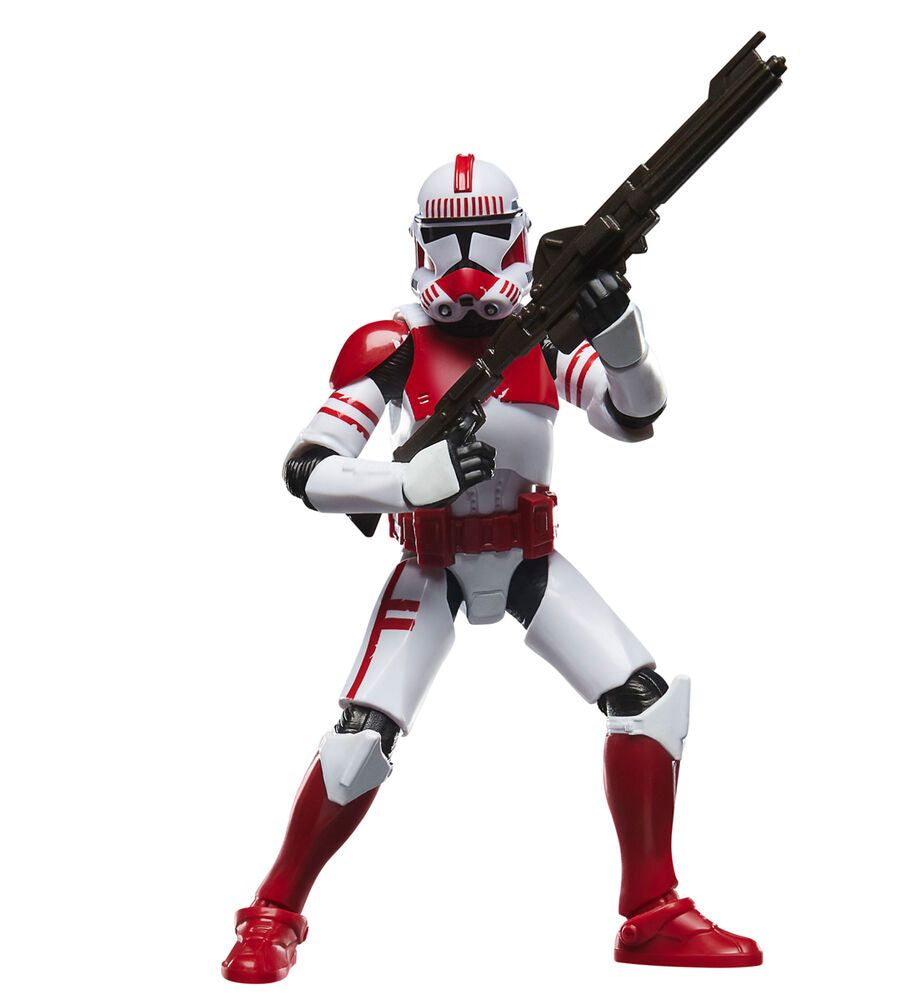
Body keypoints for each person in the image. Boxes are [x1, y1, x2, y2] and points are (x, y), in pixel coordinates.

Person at [222, 155, 761, 983]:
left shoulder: (542, 335)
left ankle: (653, 913)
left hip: (527, 559)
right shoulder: (394, 346)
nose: (466, 257)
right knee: (362, 738)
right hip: (431, 561)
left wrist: (620, 338)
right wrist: (406, 483)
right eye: (448, 239)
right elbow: (308, 469)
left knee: (645, 703)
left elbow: (635, 415)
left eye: (483, 236)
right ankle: (272, 913)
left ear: (516, 238)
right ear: (419, 243)